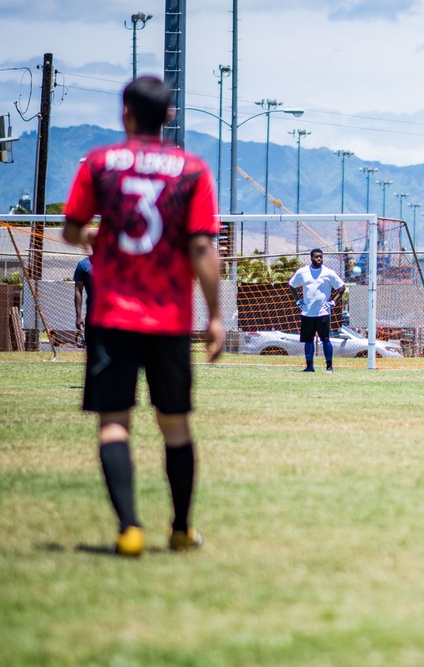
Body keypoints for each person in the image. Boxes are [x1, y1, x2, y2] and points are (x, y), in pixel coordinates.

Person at [62, 76, 222, 557]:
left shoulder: (99, 164)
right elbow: (201, 246)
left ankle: (129, 529)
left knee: (114, 422)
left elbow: (72, 229)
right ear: (169, 115)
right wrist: (214, 315)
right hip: (169, 318)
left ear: (124, 113)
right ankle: (179, 528)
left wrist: (93, 238)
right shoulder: (192, 170)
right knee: (174, 425)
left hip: (111, 314)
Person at [288, 248, 345, 372]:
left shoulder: (328, 273)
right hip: (307, 313)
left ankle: (329, 366)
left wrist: (333, 302)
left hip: (323, 313)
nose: (319, 259)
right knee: (309, 341)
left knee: (325, 340)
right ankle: (309, 367)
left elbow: (341, 287)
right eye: (316, 257)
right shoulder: (302, 272)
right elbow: (291, 285)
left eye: (320, 257)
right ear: (311, 258)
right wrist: (298, 301)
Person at [73, 255, 92, 345]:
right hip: (93, 314)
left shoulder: (116, 262)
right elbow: (78, 290)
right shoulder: (84, 264)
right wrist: (78, 315)